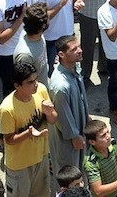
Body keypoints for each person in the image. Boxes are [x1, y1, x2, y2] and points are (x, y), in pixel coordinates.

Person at [0, 58, 58, 197]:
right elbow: (8, 140)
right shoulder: (7, 109)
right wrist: (28, 133)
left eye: (36, 79)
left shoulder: (41, 90)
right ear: (17, 85)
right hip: (20, 165)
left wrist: (49, 113)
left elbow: (53, 119)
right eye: (30, 82)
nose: (35, 84)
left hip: (41, 157)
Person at [49, 34, 91, 177]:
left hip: (80, 128)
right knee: (69, 174)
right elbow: (63, 115)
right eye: (74, 49)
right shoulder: (61, 86)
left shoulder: (75, 68)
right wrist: (74, 136)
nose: (80, 50)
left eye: (79, 47)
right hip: (69, 139)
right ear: (61, 54)